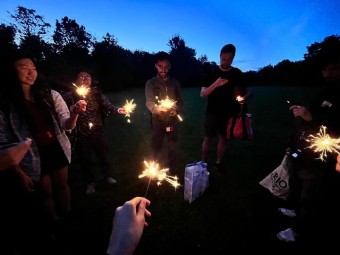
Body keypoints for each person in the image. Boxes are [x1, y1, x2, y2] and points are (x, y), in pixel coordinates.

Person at [0, 51, 86, 253]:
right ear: (13, 72)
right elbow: (3, 143)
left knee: (62, 185)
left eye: (34, 68)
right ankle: (53, 223)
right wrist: (19, 171)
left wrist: (74, 113)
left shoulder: (50, 95)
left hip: (55, 147)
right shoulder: (6, 105)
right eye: (24, 68)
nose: (31, 72)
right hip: (32, 156)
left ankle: (67, 217)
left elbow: (67, 125)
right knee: (45, 190)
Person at [277, 36, 340, 248]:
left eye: (334, 68)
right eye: (326, 69)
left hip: (324, 155)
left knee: (311, 193)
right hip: (306, 149)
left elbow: (329, 126)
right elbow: (308, 122)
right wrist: (293, 143)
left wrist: (308, 117)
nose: (329, 72)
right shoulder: (322, 93)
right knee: (296, 178)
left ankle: (299, 232)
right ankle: (293, 207)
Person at [62, 69, 126, 194]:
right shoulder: (70, 95)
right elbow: (59, 104)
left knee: (103, 155)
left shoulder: (97, 93)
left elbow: (107, 105)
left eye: (88, 77)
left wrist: (118, 110)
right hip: (80, 133)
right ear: (76, 80)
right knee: (85, 158)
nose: (85, 79)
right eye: (81, 77)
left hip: (97, 130)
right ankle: (90, 182)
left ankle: (107, 176)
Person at [200, 44, 250, 171]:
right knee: (208, 138)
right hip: (212, 112)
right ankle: (203, 162)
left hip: (229, 114)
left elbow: (248, 91)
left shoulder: (237, 73)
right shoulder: (212, 72)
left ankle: (218, 162)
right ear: (220, 56)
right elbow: (203, 94)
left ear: (233, 59)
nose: (226, 62)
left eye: (229, 60)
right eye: (224, 59)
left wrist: (244, 98)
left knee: (223, 138)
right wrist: (216, 84)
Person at [145, 51, 184, 173]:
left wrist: (176, 109)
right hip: (158, 121)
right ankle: (154, 170)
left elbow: (180, 100)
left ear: (170, 66)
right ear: (156, 66)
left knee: (172, 145)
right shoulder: (151, 83)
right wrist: (155, 109)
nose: (163, 70)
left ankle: (172, 169)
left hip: (172, 121)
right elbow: (149, 101)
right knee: (156, 146)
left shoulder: (175, 83)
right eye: (160, 66)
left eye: (166, 67)